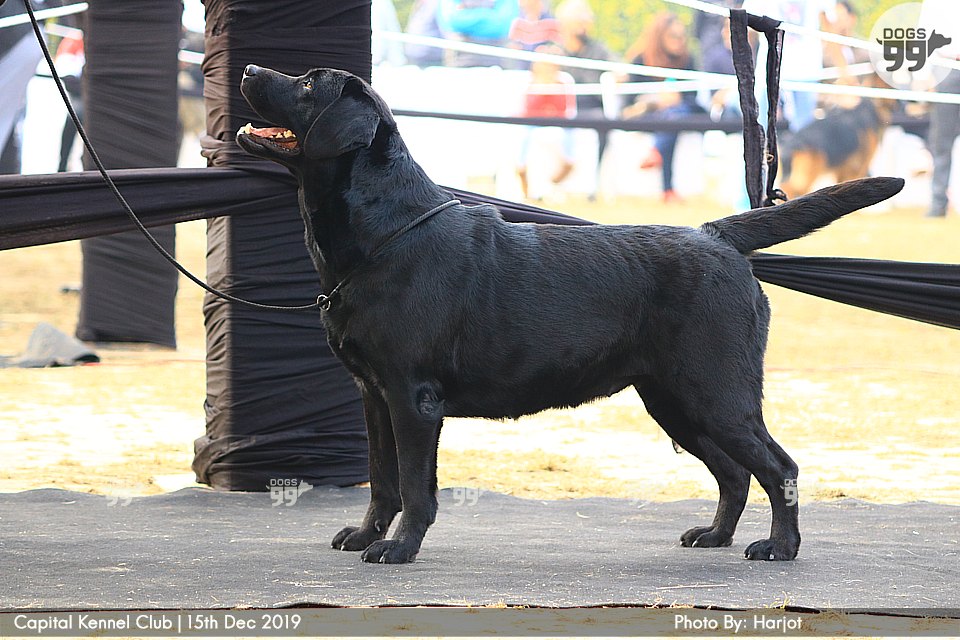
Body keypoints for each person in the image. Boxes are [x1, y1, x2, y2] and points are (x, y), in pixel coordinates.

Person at [622, 13, 704, 203]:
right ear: (660, 36)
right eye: (673, 36)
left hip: (681, 113)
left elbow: (693, 98)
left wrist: (676, 98)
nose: (679, 41)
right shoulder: (641, 58)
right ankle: (668, 190)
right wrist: (656, 100)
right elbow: (629, 102)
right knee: (671, 120)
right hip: (649, 116)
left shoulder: (687, 59)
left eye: (682, 36)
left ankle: (656, 153)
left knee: (674, 116)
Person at [741, 0, 838, 131]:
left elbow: (829, 27)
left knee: (804, 129)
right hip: (770, 68)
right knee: (761, 124)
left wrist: (843, 72)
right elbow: (747, 24)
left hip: (805, 69)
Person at [516, 43, 576, 198]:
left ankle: (564, 170)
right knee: (524, 136)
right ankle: (522, 172)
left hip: (557, 122)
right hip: (532, 122)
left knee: (568, 134)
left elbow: (564, 109)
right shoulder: (529, 81)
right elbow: (528, 109)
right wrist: (541, 87)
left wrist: (551, 86)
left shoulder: (563, 81)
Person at [436, 0, 520, 67]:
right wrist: (491, 13)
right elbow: (454, 20)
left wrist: (468, 13)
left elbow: (503, 24)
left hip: (500, 61)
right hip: (460, 60)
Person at [507, 0, 559, 64]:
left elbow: (557, 46)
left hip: (542, 64)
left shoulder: (551, 21)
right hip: (521, 63)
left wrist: (548, 49)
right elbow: (512, 43)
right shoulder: (518, 21)